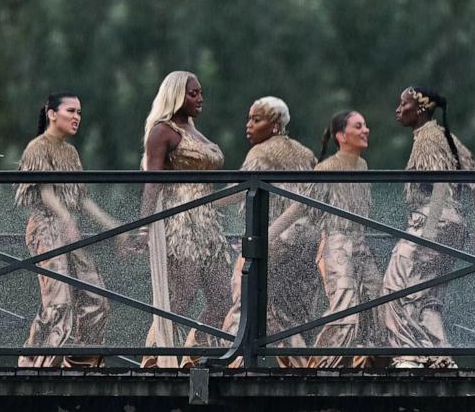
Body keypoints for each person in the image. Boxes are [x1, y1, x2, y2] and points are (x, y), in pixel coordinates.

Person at [382, 86, 475, 368]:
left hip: (432, 221)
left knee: (396, 288)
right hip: (454, 223)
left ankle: (409, 357)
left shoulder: (428, 138)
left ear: (419, 109)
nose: (398, 109)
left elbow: (441, 181)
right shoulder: (446, 136)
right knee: (429, 298)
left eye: (403, 104)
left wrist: (429, 234)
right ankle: (440, 357)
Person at [14, 92, 122, 367]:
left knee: (96, 297)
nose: (77, 118)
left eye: (79, 113)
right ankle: (34, 367)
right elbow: (46, 191)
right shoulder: (38, 147)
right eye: (71, 111)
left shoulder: (70, 152)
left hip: (67, 228)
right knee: (58, 302)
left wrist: (116, 226)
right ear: (52, 113)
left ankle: (80, 364)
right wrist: (65, 219)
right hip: (46, 227)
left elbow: (82, 199)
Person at [272, 110, 385, 368]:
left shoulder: (362, 166)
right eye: (359, 126)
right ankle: (319, 367)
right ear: (341, 136)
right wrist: (270, 236)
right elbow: (299, 208)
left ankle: (367, 365)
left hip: (360, 245)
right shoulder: (326, 168)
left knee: (377, 300)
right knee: (345, 308)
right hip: (336, 244)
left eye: (365, 125)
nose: (365, 130)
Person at [218, 96, 320, 367]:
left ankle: (233, 363)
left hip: (275, 240)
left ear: (275, 125)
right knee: (291, 314)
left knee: (246, 297)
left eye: (256, 119)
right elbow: (309, 200)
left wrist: (203, 204)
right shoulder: (306, 153)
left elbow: (240, 191)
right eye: (249, 119)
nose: (248, 126)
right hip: (307, 240)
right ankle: (303, 370)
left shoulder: (261, 153)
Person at [139, 71, 229, 368]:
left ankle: (194, 351)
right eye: (193, 93)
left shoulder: (193, 129)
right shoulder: (162, 131)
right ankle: (154, 356)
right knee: (184, 294)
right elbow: (151, 182)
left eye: (201, 92)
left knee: (221, 299)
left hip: (209, 223)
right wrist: (143, 227)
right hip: (180, 222)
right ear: (176, 95)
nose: (200, 98)